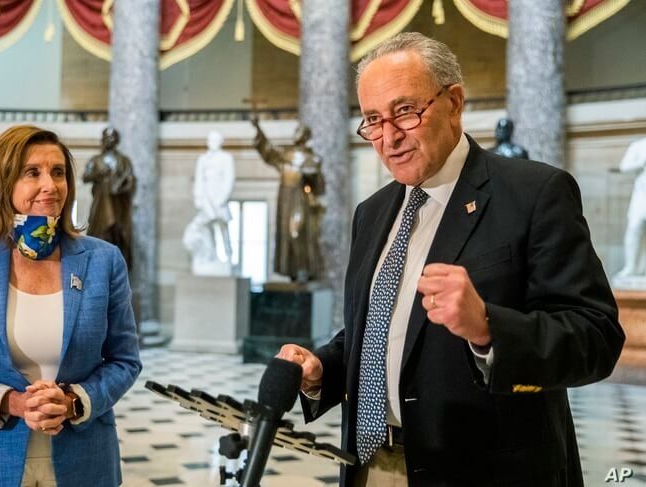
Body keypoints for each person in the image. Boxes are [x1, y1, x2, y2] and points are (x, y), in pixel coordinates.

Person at [277, 33, 623, 487]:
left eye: (405, 112)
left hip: (485, 472)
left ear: (454, 102)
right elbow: (384, 327)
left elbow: (596, 339)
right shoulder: (372, 212)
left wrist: (488, 328)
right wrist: (325, 367)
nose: (389, 137)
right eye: (373, 121)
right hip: (369, 466)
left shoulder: (534, 194)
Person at [0, 125, 142, 487]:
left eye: (58, 172)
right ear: (3, 182)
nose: (50, 185)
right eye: (32, 172)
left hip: (85, 462)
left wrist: (73, 401)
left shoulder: (104, 260)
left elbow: (125, 360)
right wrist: (12, 403)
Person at [251, 118, 325, 282]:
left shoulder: (313, 159)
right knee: (285, 235)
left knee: (297, 233)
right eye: (296, 131)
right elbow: (268, 151)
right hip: (285, 199)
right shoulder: (286, 155)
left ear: (306, 136)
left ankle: (305, 269)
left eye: (300, 132)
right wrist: (258, 128)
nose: (297, 134)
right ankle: (291, 270)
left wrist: (311, 176)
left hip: (301, 198)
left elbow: (320, 187)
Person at [182, 130, 235, 275]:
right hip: (206, 198)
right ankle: (209, 257)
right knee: (206, 229)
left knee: (223, 228)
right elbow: (199, 179)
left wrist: (220, 199)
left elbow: (229, 180)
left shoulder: (226, 158)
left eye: (215, 140)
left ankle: (229, 256)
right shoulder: (203, 159)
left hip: (219, 197)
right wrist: (199, 198)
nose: (212, 143)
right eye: (210, 140)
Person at [83, 126, 136, 267]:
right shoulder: (96, 160)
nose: (109, 140)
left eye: (112, 137)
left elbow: (130, 180)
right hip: (100, 204)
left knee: (117, 236)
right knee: (100, 234)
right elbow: (85, 177)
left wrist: (120, 187)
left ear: (117, 140)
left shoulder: (124, 161)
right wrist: (98, 174)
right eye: (107, 137)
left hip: (118, 204)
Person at [614, 137, 646, 279]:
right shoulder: (638, 145)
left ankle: (641, 268)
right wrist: (641, 162)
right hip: (641, 196)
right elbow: (624, 166)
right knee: (634, 229)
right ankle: (631, 266)